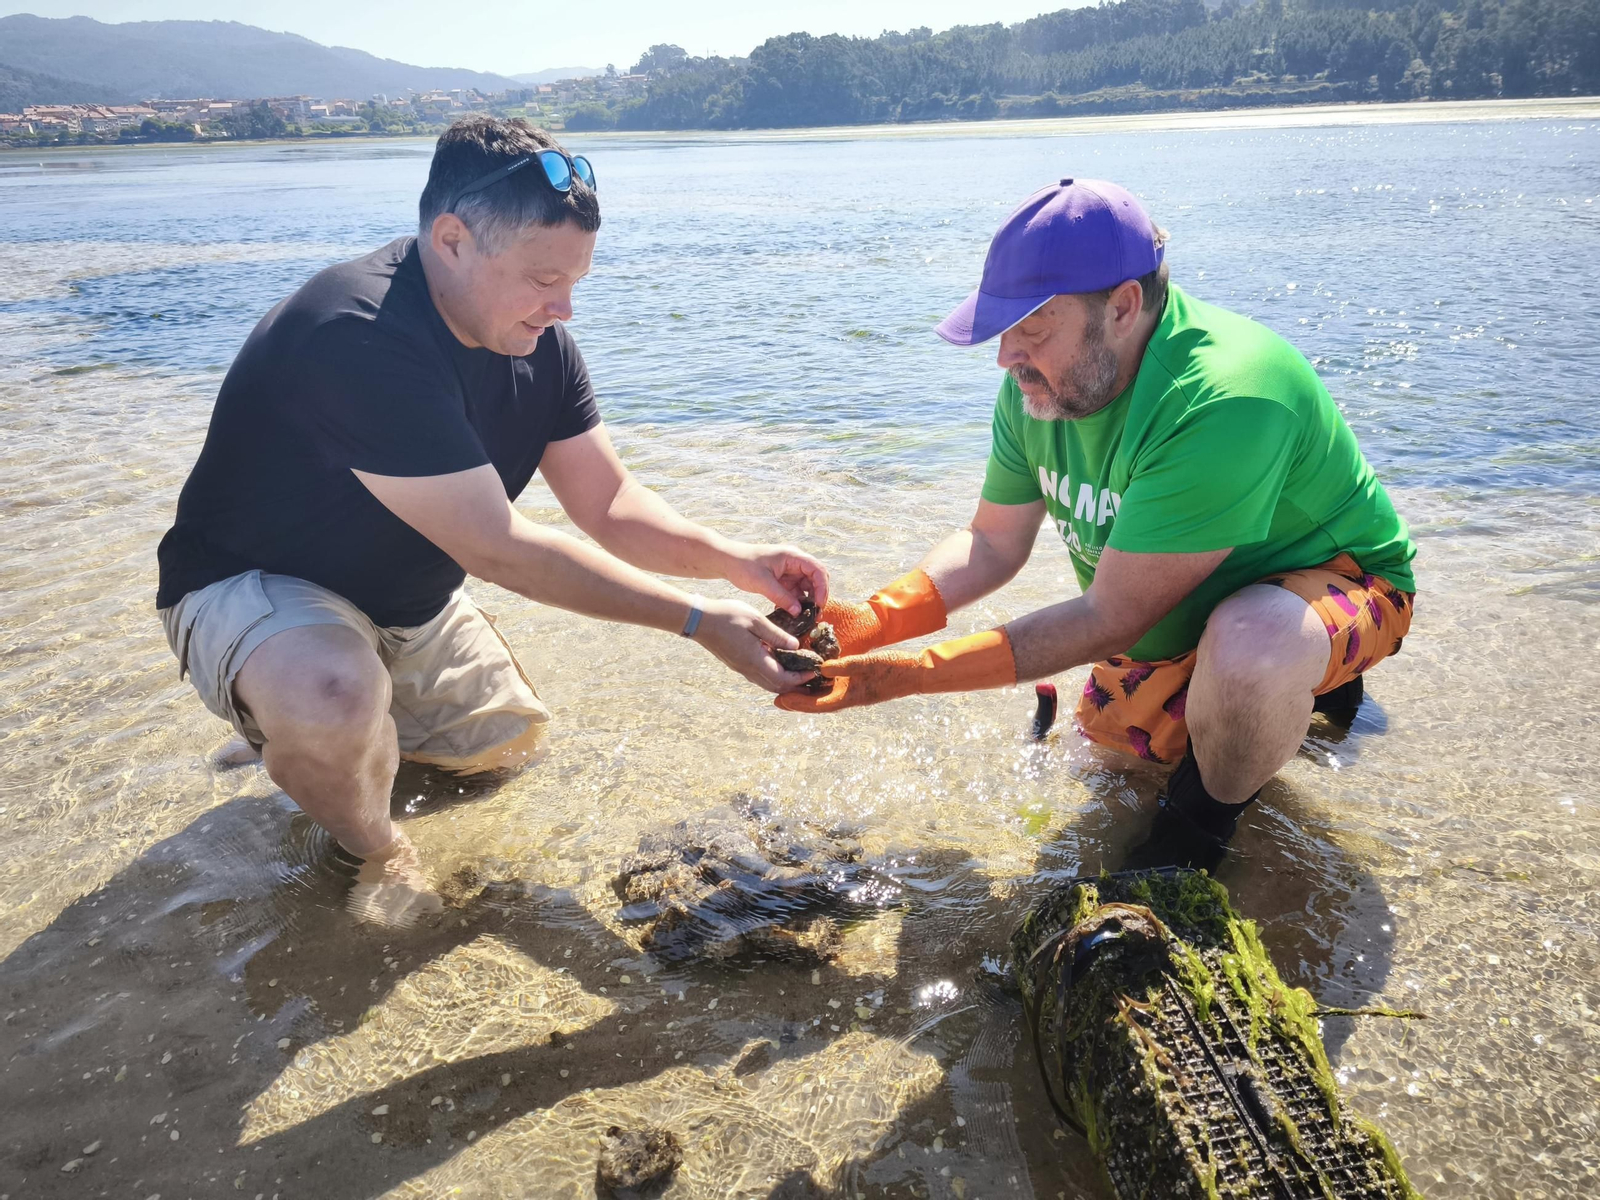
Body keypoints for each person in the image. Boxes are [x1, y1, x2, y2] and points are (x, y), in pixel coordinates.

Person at [156, 117, 823, 923]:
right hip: (253, 586)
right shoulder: (356, 334)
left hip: (409, 603)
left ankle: (291, 734)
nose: (564, 308)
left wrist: (736, 561)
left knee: (501, 761)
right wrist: (695, 622)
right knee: (330, 694)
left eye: (576, 279)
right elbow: (502, 550)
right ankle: (369, 836)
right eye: (545, 278)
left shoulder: (534, 338)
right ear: (452, 239)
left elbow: (608, 503)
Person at [778, 178, 1416, 870]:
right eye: (1003, 327)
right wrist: (878, 619)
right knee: (1109, 788)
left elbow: (1109, 617)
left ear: (1123, 306)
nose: (1004, 356)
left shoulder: (1224, 396)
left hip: (1339, 586)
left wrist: (898, 676)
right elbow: (993, 541)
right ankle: (1273, 698)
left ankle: (1198, 840)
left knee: (1250, 654)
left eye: (1032, 325)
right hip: (1163, 610)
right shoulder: (1038, 384)